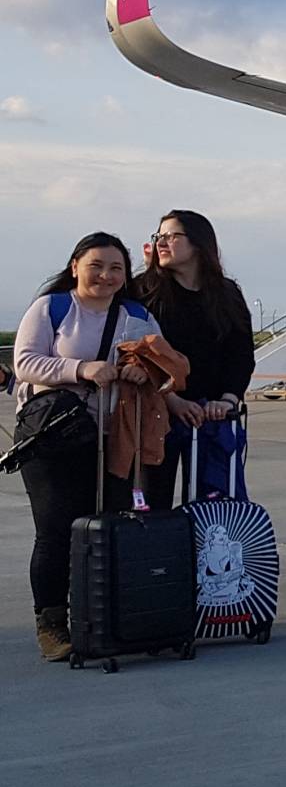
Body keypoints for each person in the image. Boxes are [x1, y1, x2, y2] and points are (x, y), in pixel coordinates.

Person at [12, 233, 161, 661]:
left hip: (113, 438)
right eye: (96, 265)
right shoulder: (52, 308)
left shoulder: (137, 315)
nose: (106, 275)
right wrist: (81, 368)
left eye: (116, 268)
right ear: (75, 265)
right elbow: (25, 361)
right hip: (54, 437)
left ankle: (104, 616)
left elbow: (159, 364)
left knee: (113, 524)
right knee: (56, 529)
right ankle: (52, 624)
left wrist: (141, 374)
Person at [132, 210, 255, 507]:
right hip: (158, 411)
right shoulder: (143, 291)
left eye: (172, 236)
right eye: (158, 236)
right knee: (152, 505)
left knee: (215, 504)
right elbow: (136, 352)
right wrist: (172, 399)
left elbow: (240, 353)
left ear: (199, 243)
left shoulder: (226, 293)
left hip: (212, 416)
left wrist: (227, 400)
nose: (162, 243)